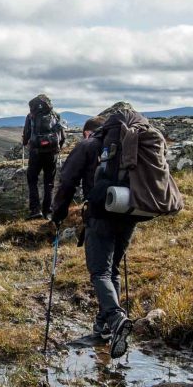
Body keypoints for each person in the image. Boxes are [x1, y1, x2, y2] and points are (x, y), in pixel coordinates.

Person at [50, 103, 137, 358]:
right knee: (112, 269)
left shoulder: (88, 145)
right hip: (130, 211)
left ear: (90, 132)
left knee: (99, 271)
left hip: (101, 214)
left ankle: (116, 318)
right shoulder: (131, 144)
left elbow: (67, 181)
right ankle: (104, 328)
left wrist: (58, 214)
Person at [22, 94, 65, 219]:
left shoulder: (30, 116)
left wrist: (25, 142)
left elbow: (26, 136)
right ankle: (48, 212)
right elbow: (62, 136)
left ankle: (35, 210)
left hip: (36, 153)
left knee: (32, 180)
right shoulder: (56, 115)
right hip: (52, 153)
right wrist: (58, 147)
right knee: (49, 182)